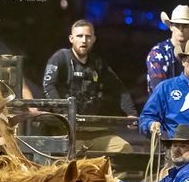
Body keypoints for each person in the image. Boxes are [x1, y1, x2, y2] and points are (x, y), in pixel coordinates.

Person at [43, 19, 137, 153]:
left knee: (125, 150)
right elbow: (49, 85)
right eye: (79, 36)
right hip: (66, 132)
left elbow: (118, 88)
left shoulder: (98, 63)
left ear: (94, 39)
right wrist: (64, 113)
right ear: (71, 38)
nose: (84, 40)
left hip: (95, 132)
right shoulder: (60, 57)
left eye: (88, 36)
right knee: (69, 162)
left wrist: (131, 113)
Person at [146, 4, 189, 93]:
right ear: (171, 26)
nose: (181, 29)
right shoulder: (158, 53)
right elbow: (160, 91)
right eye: (177, 25)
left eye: (185, 25)